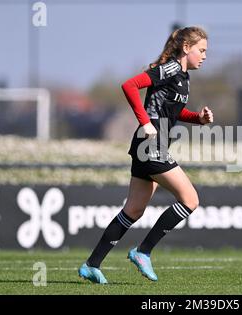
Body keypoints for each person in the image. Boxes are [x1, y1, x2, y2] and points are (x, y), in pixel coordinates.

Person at [78, 26, 213, 284]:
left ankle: (92, 264)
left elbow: (174, 112)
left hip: (149, 145)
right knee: (190, 199)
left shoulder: (183, 76)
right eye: (202, 50)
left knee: (134, 210)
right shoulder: (171, 68)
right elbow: (129, 86)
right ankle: (143, 251)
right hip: (151, 144)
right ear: (186, 48)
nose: (205, 56)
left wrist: (198, 118)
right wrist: (145, 122)